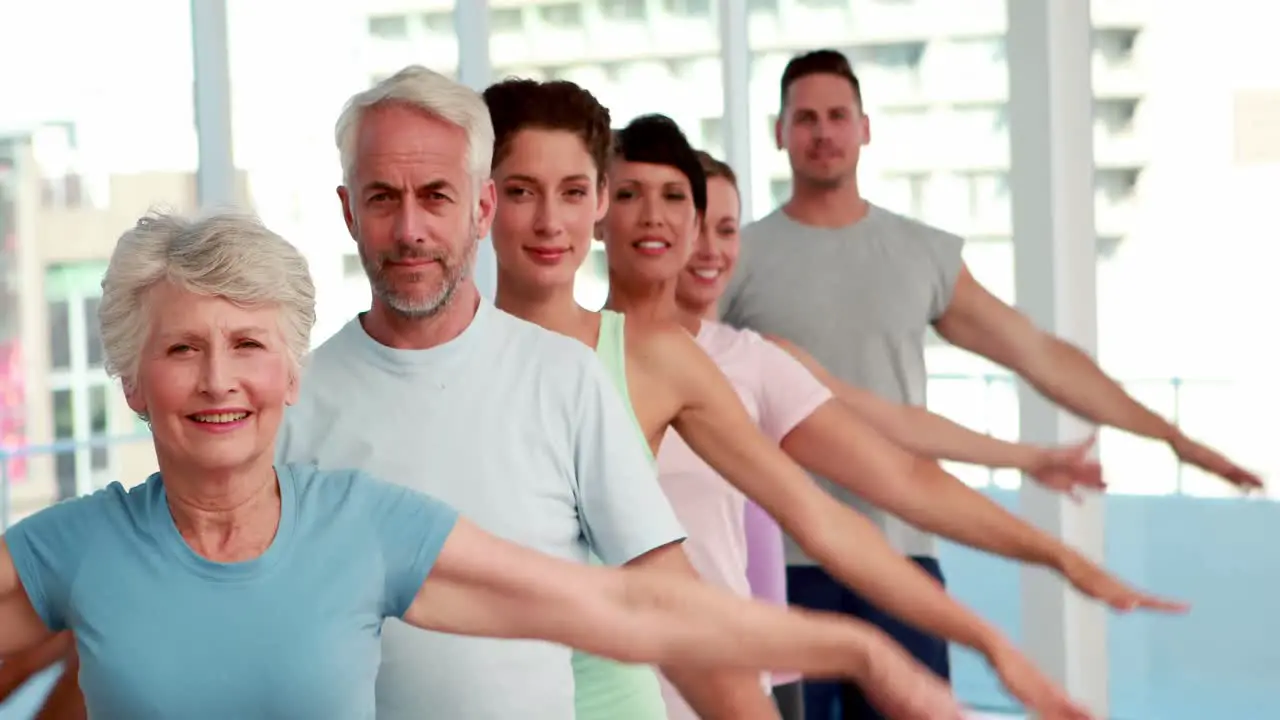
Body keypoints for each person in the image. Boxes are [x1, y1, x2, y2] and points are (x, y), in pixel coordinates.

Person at [0, 209, 970, 720]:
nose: (219, 381)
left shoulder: (364, 526)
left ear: (291, 371)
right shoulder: (73, 549)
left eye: (247, 346)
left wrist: (852, 647)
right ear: (132, 382)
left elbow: (624, 607)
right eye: (181, 350)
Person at [484, 79, 1096, 720]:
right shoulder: (439, 365)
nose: (550, 221)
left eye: (574, 193)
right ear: (485, 198)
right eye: (523, 192)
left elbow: (823, 517)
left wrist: (988, 640)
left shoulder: (655, 360)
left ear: (595, 203)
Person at [718, 48, 1259, 720]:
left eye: (837, 116)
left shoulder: (920, 253)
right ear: (779, 131)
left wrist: (1169, 435)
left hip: (903, 551)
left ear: (865, 128)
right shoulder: (730, 256)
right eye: (805, 119)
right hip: (782, 557)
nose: (823, 132)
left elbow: (1038, 355)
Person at [274, 64, 773, 720]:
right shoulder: (292, 405)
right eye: (382, 199)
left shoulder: (565, 379)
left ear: (481, 209)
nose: (409, 230)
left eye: (436, 196)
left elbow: (670, 612)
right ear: (348, 211)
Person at [686, 151, 1107, 720]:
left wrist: (1029, 464)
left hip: (764, 625)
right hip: (692, 632)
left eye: (725, 228)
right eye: (693, 224)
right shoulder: (609, 360)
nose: (708, 247)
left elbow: (897, 440)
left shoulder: (760, 361)